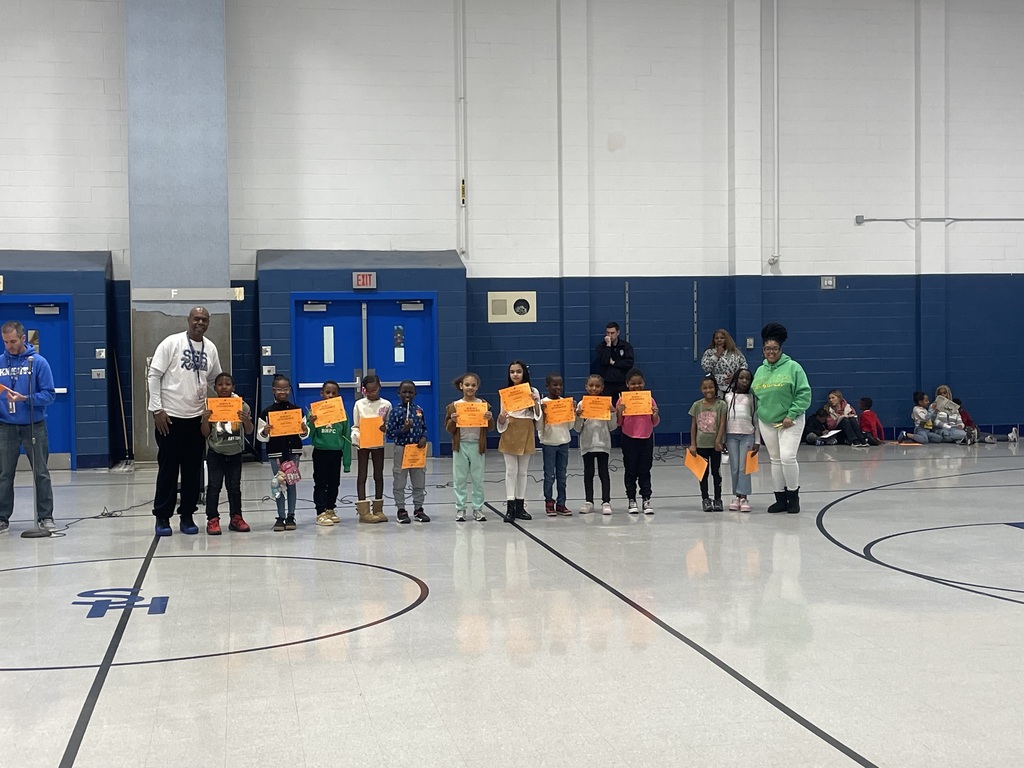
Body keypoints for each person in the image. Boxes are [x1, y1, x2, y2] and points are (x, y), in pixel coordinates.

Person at [148, 306, 222, 536]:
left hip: (196, 420)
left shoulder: (210, 348)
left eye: (204, 319)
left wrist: (228, 402)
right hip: (169, 418)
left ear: (208, 323)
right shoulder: (171, 343)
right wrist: (157, 409)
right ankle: (162, 516)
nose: (200, 323)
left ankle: (187, 515)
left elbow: (216, 380)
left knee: (192, 472)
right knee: (169, 470)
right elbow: (154, 375)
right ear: (188, 320)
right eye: (196, 319)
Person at [0, 320, 56, 534]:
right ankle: (2, 517)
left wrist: (26, 398)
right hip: (6, 426)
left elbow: (49, 395)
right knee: (4, 473)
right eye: (5, 342)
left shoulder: (38, 363)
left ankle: (46, 516)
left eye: (13, 341)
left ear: (23, 338)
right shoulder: (0, 363)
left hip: (34, 425)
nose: (9, 346)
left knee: (40, 472)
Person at [751, 323, 811, 514]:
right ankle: (780, 498)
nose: (771, 352)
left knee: (787, 457)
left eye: (774, 349)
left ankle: (793, 497)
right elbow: (755, 394)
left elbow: (803, 393)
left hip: (789, 420)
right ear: (763, 350)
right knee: (775, 459)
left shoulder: (793, 367)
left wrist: (791, 414)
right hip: (767, 421)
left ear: (780, 349)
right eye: (767, 349)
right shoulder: (760, 371)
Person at [200, 373, 253, 535]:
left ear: (233, 387)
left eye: (228, 384)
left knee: (234, 488)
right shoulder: (209, 407)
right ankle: (212, 519)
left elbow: (250, 431)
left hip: (235, 452)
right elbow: (204, 433)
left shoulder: (242, 406)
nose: (224, 387)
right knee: (214, 487)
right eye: (220, 384)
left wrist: (245, 420)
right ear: (215, 387)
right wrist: (205, 420)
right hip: (216, 453)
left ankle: (236, 518)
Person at [256, 374, 309, 530]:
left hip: (293, 452)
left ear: (290, 389)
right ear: (273, 390)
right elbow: (261, 437)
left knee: (291, 483)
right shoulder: (266, 412)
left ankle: (291, 516)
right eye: (279, 389)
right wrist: (265, 432)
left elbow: (304, 434)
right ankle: (280, 516)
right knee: (279, 484)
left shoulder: (297, 411)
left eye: (286, 389)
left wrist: (304, 430)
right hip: (275, 453)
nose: (283, 392)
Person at [445, 372, 494, 521]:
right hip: (460, 446)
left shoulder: (483, 404)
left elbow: (490, 428)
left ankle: (478, 508)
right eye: (467, 385)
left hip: (477, 446)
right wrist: (453, 420)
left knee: (478, 479)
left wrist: (489, 418)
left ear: (477, 387)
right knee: (459, 479)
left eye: (473, 385)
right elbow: (448, 428)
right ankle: (460, 509)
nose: (470, 388)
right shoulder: (455, 406)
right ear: (461, 386)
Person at [497, 360, 542, 522]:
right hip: (511, 429)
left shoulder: (533, 390)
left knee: (523, 471)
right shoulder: (506, 392)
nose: (515, 374)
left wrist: (536, 401)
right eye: (512, 372)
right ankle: (510, 507)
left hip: (527, 429)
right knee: (511, 471)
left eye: (518, 371)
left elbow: (538, 416)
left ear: (524, 373)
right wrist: (501, 417)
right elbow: (502, 417)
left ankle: (520, 506)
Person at [306, 379, 352, 527]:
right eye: (327, 392)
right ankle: (320, 512)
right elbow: (309, 434)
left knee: (334, 483)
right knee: (320, 483)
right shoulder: (314, 412)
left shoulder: (342, 413)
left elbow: (346, 437)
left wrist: (346, 462)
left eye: (334, 393)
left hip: (336, 453)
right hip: (320, 452)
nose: (330, 395)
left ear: (338, 395)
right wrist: (311, 423)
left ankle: (330, 508)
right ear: (321, 393)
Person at [616, 368, 660, 514]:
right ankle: (631, 499)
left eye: (639, 383)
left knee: (645, 470)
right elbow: (619, 423)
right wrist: (619, 412)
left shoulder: (649, 399)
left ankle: (646, 499)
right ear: (627, 384)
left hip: (646, 439)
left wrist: (655, 414)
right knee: (630, 470)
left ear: (644, 383)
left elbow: (655, 423)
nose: (636, 386)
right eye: (633, 383)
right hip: (629, 439)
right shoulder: (622, 401)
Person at [385, 380, 429, 524]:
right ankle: (401, 509)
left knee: (419, 480)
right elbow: (390, 434)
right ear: (399, 393)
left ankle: (418, 508)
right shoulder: (395, 412)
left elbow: (424, 428)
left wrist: (423, 438)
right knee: (399, 480)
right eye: (404, 392)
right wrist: (403, 429)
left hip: (417, 450)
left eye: (410, 392)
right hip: (402, 449)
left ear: (415, 393)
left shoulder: (419, 410)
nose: (407, 394)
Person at [351, 373, 392, 523]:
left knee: (378, 474)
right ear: (364, 390)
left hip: (378, 443)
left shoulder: (386, 405)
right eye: (368, 391)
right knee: (362, 474)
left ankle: (378, 508)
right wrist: (356, 437)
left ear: (379, 387)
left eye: (374, 390)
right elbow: (355, 425)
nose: (371, 393)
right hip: (363, 443)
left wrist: (384, 428)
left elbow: (389, 424)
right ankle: (363, 510)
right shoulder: (359, 404)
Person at [574, 374, 617, 515]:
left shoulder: (606, 404)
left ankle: (606, 501)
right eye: (591, 385)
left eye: (597, 386)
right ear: (586, 386)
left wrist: (613, 413)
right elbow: (576, 428)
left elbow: (612, 427)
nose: (594, 388)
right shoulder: (581, 404)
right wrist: (578, 416)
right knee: (589, 473)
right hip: (587, 445)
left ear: (602, 387)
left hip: (603, 444)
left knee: (604, 473)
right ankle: (589, 502)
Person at [689, 375, 727, 511]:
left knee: (716, 472)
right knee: (703, 474)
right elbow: (693, 426)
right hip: (701, 445)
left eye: (711, 387)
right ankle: (705, 498)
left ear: (715, 388)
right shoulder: (697, 405)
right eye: (705, 388)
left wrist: (718, 441)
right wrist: (693, 444)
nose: (708, 390)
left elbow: (722, 423)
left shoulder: (721, 405)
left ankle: (718, 499)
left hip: (715, 446)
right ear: (701, 389)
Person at [724, 369, 760, 512]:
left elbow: (756, 420)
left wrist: (757, 440)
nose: (744, 381)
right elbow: (723, 419)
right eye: (741, 378)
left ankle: (744, 496)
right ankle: (737, 496)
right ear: (736, 380)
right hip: (731, 436)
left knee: (743, 467)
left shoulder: (753, 399)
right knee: (734, 467)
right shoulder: (727, 397)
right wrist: (721, 439)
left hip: (747, 435)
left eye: (747, 379)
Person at [538, 373, 571, 516]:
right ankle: (549, 502)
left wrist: (572, 412)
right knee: (549, 475)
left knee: (562, 475)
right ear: (547, 386)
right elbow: (539, 427)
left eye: (560, 385)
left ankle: (561, 503)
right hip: (549, 443)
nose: (558, 387)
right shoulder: (542, 403)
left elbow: (570, 426)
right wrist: (543, 414)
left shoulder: (564, 402)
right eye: (555, 385)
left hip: (564, 442)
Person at [594, 321, 634, 406]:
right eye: (608, 333)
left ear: (618, 332)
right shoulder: (601, 347)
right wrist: (608, 345)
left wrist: (614, 363)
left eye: (612, 333)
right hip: (607, 383)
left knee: (624, 407)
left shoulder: (626, 346)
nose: (610, 335)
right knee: (608, 409)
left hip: (622, 383)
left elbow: (629, 364)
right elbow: (604, 361)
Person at [700, 329, 748, 399]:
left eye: (722, 338)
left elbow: (744, 366)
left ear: (727, 339)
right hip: (717, 387)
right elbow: (706, 368)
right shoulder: (709, 352)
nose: (719, 340)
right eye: (716, 338)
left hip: (733, 386)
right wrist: (716, 354)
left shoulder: (736, 352)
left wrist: (736, 376)